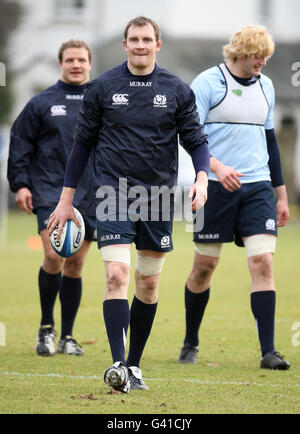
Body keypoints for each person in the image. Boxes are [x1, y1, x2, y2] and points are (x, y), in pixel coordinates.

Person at [47, 16, 210, 393]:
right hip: (112, 195)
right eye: (133, 39)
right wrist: (66, 200)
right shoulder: (102, 87)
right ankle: (118, 365)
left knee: (148, 284)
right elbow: (81, 146)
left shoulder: (176, 90)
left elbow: (196, 142)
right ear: (125, 45)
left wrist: (202, 178)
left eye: (146, 39)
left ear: (158, 44)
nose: (140, 44)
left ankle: (134, 365)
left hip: (157, 198)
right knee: (116, 276)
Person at [177, 25, 290, 370]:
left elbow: (270, 143)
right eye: (258, 56)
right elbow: (188, 135)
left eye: (266, 56)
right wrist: (216, 167)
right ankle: (190, 342)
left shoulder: (266, 87)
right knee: (204, 267)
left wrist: (280, 194)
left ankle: (268, 351)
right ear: (240, 52)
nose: (263, 62)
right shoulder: (208, 82)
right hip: (212, 186)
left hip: (256, 188)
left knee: (263, 262)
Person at [7, 40, 96, 357]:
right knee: (55, 256)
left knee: (75, 264)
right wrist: (21, 184)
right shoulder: (41, 102)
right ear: (61, 63)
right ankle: (46, 328)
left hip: (90, 192)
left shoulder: (100, 100)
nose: (76, 64)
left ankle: (68, 336)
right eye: (70, 59)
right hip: (49, 190)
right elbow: (20, 144)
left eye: (81, 60)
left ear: (89, 63)